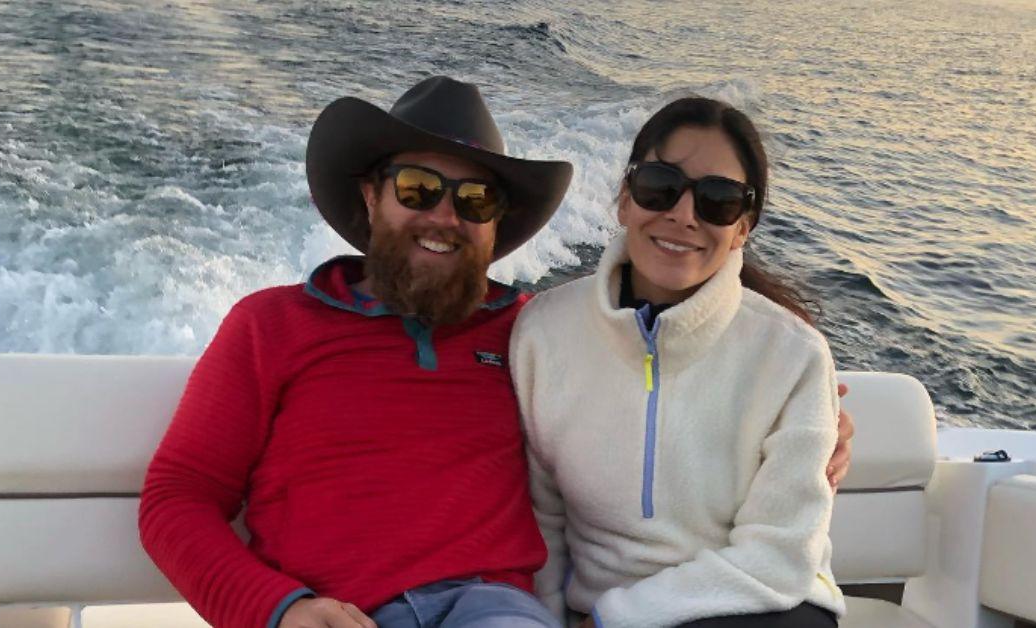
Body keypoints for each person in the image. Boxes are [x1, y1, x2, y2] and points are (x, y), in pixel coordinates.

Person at [139, 77, 854, 628]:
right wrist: (277, 608)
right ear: (371, 195)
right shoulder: (271, 326)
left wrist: (827, 420)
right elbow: (177, 497)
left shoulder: (530, 331)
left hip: (496, 610)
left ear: (497, 224)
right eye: (419, 189)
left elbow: (679, 351)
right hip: (336, 610)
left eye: (475, 200)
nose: (444, 217)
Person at [510, 97, 847, 628]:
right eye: (659, 186)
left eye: (718, 200)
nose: (683, 215)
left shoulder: (793, 356)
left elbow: (781, 556)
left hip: (760, 604)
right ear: (624, 199)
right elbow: (542, 523)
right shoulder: (542, 335)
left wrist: (614, 618)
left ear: (742, 227)